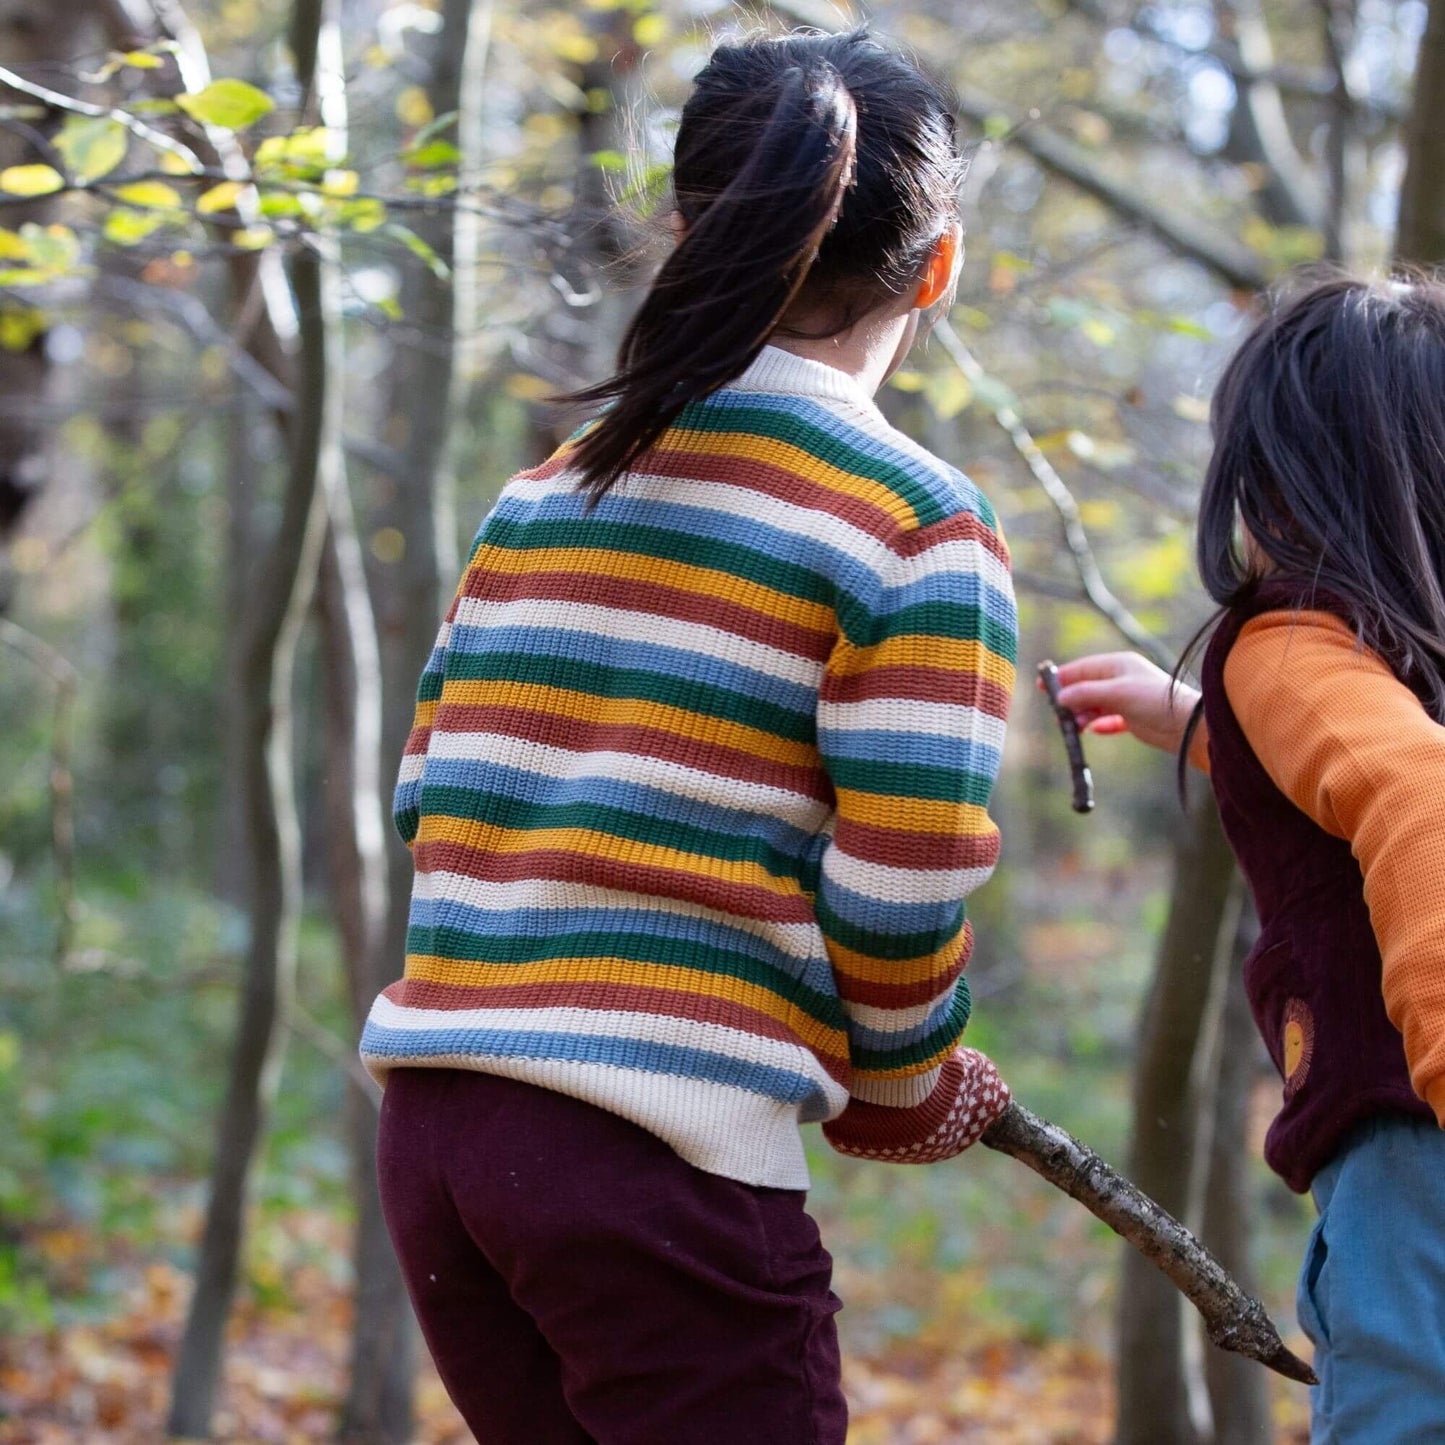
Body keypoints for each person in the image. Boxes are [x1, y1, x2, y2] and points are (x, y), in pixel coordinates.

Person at [359, 29, 1018, 1445]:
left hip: (442, 1144)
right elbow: (903, 878)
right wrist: (904, 1079)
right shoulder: (913, 524)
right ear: (941, 264)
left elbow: (429, 795)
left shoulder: (546, 492)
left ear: (685, 228)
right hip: (647, 1163)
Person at [1055, 272, 1445, 1443]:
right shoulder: (1386, 657)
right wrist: (1201, 719)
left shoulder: (1284, 645)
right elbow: (1352, 757)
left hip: (1412, 1141)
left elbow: (1411, 792)